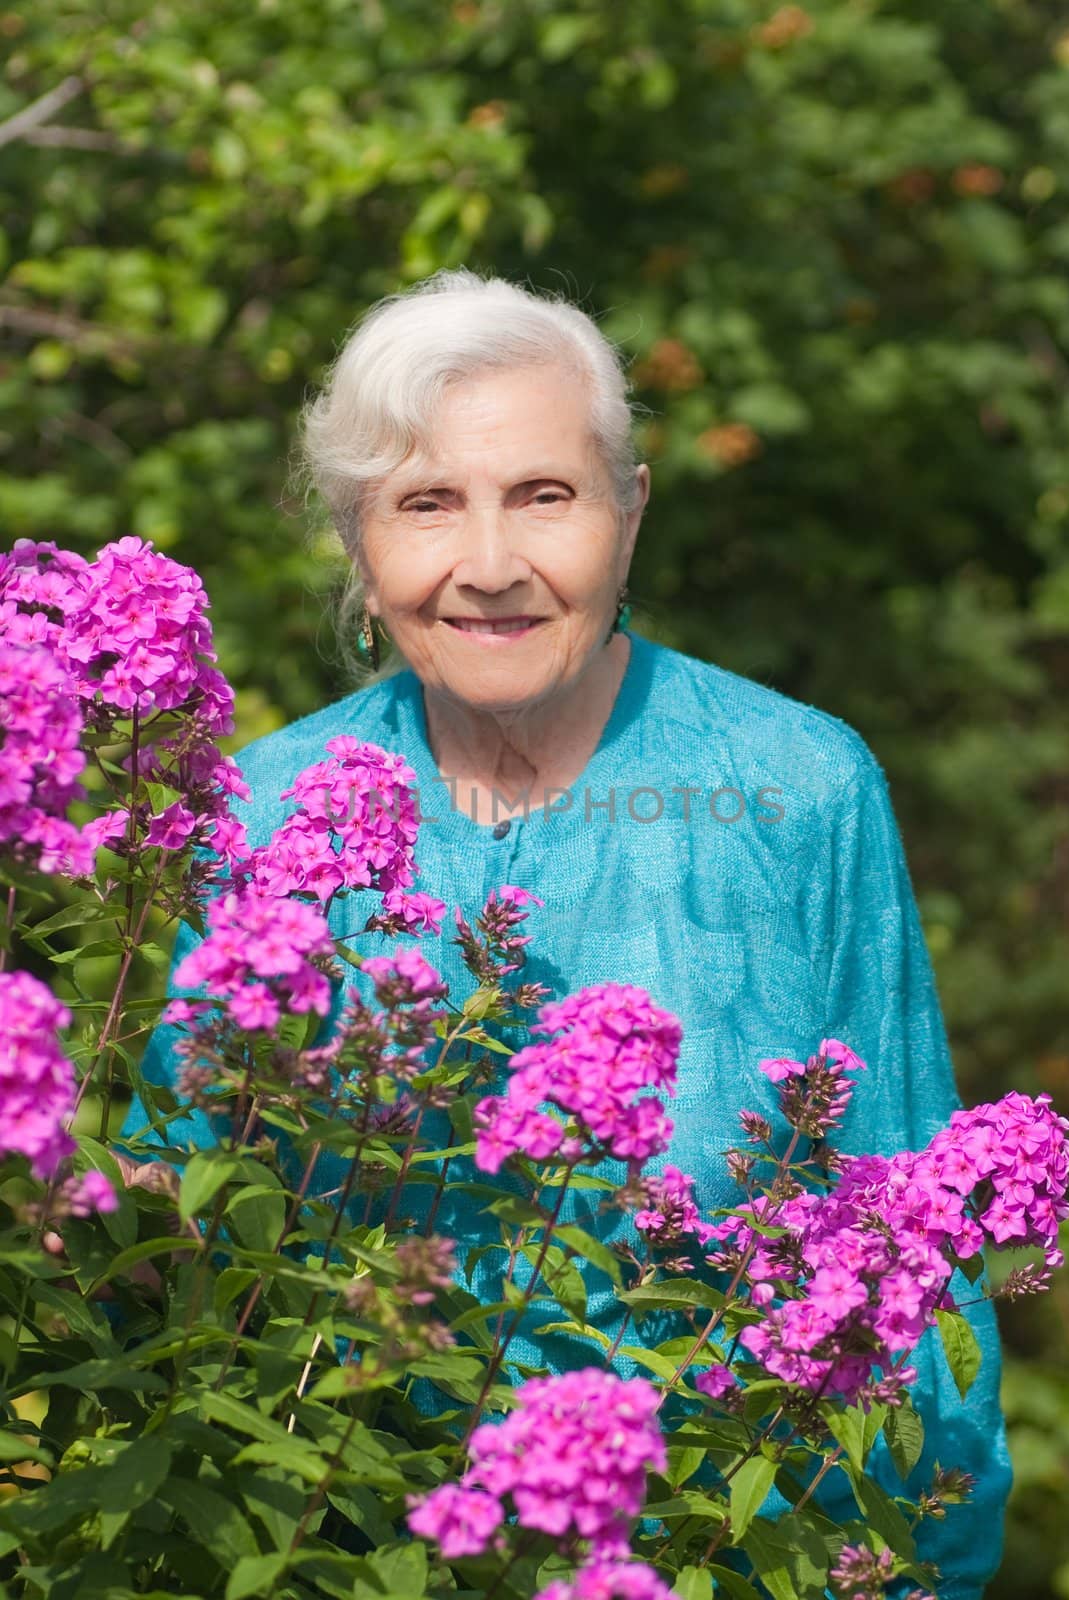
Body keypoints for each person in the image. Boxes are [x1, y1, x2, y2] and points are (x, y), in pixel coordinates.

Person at [124, 269, 1011, 1595]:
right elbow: (172, 1261)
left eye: (544, 495)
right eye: (426, 504)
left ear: (629, 510)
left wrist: (921, 1567)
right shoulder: (253, 813)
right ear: (359, 545)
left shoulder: (801, 789)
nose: (489, 566)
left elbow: (906, 1234)